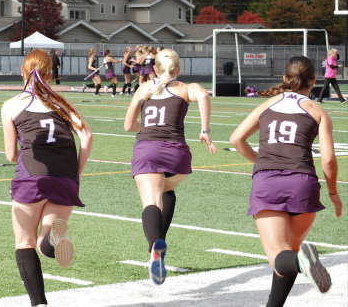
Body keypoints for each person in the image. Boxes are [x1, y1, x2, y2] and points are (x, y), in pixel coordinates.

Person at [230, 56, 342, 306]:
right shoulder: (318, 111)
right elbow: (328, 162)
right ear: (314, 81)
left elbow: (236, 138)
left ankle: (302, 262)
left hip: (268, 182)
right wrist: (334, 194)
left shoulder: (269, 104)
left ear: (284, 78)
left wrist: (259, 161)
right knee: (288, 254)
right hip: (303, 184)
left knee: (281, 258)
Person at [1, 49, 93, 307]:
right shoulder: (62, 103)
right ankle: (53, 240)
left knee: (24, 243)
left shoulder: (12, 104)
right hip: (65, 178)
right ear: (51, 74)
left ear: (22, 71)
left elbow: (10, 155)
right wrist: (77, 172)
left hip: (32, 176)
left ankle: (39, 303)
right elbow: (86, 135)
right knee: (43, 241)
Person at [124, 48, 217, 285]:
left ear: (154, 68)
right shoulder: (186, 88)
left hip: (148, 150)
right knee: (167, 192)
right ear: (179, 69)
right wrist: (205, 130)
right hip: (178, 155)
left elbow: (128, 126)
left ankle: (155, 247)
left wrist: (147, 127)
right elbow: (204, 96)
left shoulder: (144, 88)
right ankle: (160, 243)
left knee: (152, 201)